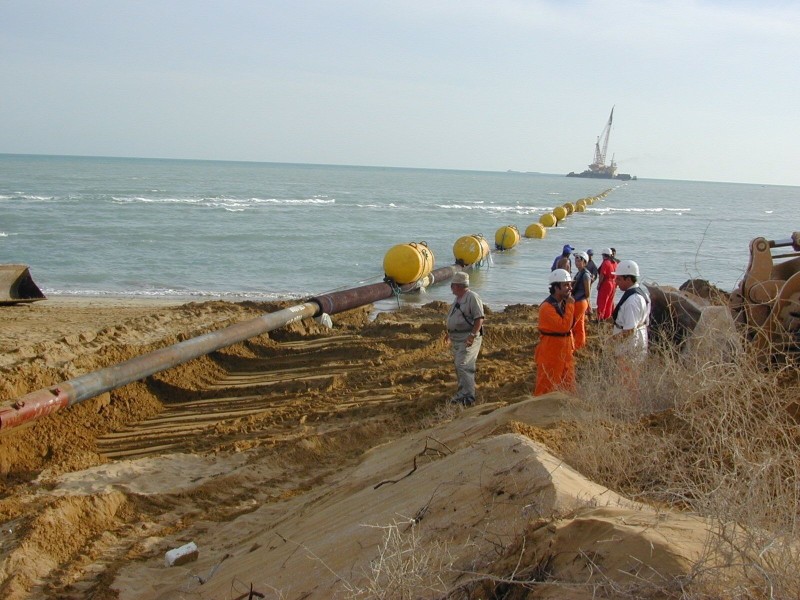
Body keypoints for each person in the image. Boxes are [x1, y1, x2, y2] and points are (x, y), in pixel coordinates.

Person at [446, 271, 485, 406]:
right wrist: (448, 332)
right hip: (456, 336)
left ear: (458, 286)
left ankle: (468, 396)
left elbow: (479, 319)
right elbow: (454, 317)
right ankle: (463, 391)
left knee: (463, 365)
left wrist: (472, 336)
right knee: (458, 364)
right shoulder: (458, 298)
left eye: (452, 285)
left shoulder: (472, 297)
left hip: (467, 336)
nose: (451, 288)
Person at [534, 269, 576, 396]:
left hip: (564, 349)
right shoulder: (547, 307)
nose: (570, 288)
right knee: (547, 385)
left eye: (570, 284)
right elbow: (564, 327)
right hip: (552, 350)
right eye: (566, 285)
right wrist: (570, 306)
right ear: (556, 287)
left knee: (567, 384)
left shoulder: (562, 303)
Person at [612, 260, 651, 395]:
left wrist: (613, 340)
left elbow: (629, 330)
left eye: (618, 278)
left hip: (629, 344)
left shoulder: (632, 300)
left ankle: (626, 403)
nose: (616, 282)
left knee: (627, 378)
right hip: (637, 338)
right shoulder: (640, 293)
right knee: (631, 376)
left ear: (628, 279)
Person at [571, 252, 592, 350]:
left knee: (576, 324)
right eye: (576, 260)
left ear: (584, 262)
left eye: (579, 260)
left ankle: (578, 345)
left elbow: (587, 292)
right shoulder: (579, 273)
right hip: (578, 301)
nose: (577, 262)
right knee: (579, 324)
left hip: (581, 301)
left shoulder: (585, 275)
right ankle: (579, 344)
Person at [596, 248, 617, 321]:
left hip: (607, 283)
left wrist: (599, 284)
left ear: (604, 255)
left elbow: (602, 275)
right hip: (613, 283)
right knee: (609, 302)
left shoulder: (605, 262)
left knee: (602, 301)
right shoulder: (614, 263)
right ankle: (607, 317)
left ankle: (600, 318)